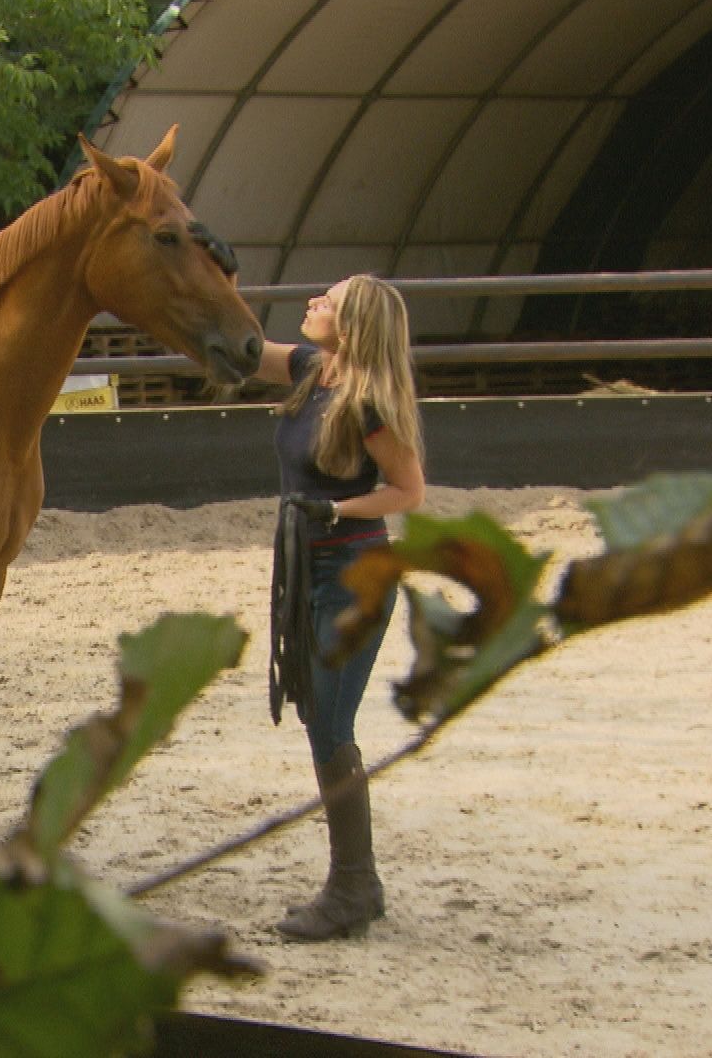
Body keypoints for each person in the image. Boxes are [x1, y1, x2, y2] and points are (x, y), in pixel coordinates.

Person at [253, 273, 425, 942]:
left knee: (329, 720)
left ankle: (354, 885)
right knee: (319, 716)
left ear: (352, 326)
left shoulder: (368, 404)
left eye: (327, 301)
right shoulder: (307, 369)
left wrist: (335, 507)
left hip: (354, 571)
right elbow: (240, 349)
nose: (313, 305)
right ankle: (360, 882)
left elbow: (407, 490)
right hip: (307, 569)